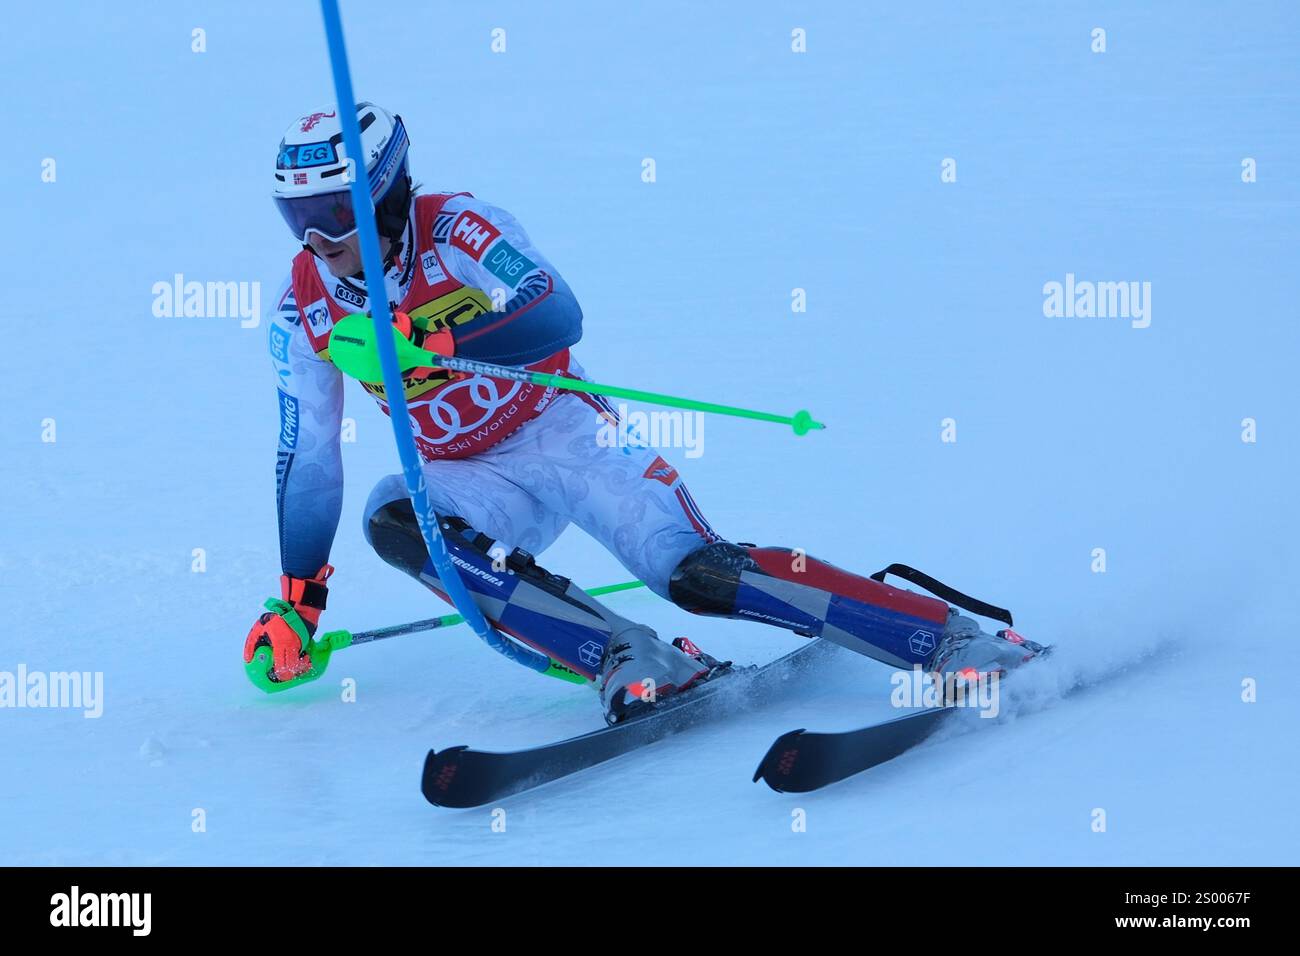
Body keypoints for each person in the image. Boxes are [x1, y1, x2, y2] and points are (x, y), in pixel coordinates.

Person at [244, 102, 1043, 723]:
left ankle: (949, 639)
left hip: (560, 431)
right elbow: (309, 459)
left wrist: (433, 333)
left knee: (690, 570)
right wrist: (298, 600)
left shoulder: (458, 227)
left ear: (383, 195)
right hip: (465, 479)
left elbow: (555, 314)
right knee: (395, 520)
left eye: (332, 215)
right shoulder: (300, 310)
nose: (317, 240)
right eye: (296, 219)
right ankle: (633, 657)